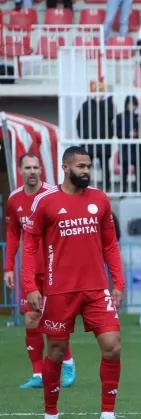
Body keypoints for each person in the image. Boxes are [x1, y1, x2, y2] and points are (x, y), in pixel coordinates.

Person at [20, 146, 132, 419]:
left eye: (89, 166)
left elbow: (110, 244)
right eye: (80, 166)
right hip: (60, 290)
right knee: (55, 351)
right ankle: (51, 415)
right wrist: (31, 285)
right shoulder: (45, 202)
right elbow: (30, 246)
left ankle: (107, 415)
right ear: (65, 167)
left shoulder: (99, 199)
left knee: (113, 346)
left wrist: (117, 283)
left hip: (96, 288)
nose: (86, 171)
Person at [3, 153, 75, 390]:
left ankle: (67, 362)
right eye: (28, 167)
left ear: (41, 170)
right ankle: (38, 374)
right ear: (21, 170)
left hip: (55, 268)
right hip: (31, 269)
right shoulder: (14, 200)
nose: (32, 171)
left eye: (36, 167)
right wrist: (9, 267)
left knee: (56, 319)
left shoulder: (52, 195)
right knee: (31, 319)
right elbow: (13, 233)